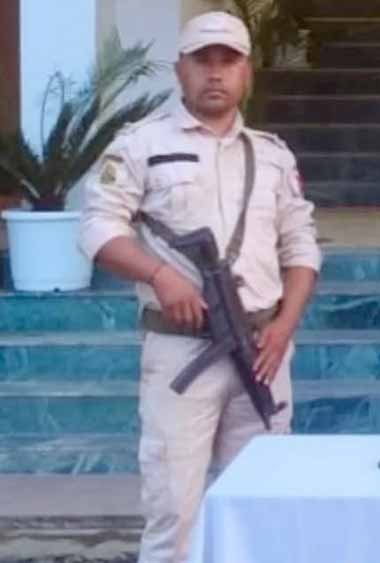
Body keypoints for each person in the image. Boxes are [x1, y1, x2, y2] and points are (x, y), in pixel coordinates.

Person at [78, 12, 321, 563]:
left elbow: (301, 247)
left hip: (262, 351)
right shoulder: (141, 144)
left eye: (228, 61)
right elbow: (97, 228)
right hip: (181, 351)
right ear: (179, 70)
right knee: (174, 518)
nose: (215, 73)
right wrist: (159, 275)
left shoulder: (272, 155)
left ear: (247, 73)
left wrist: (285, 325)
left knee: (261, 514)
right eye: (202, 61)